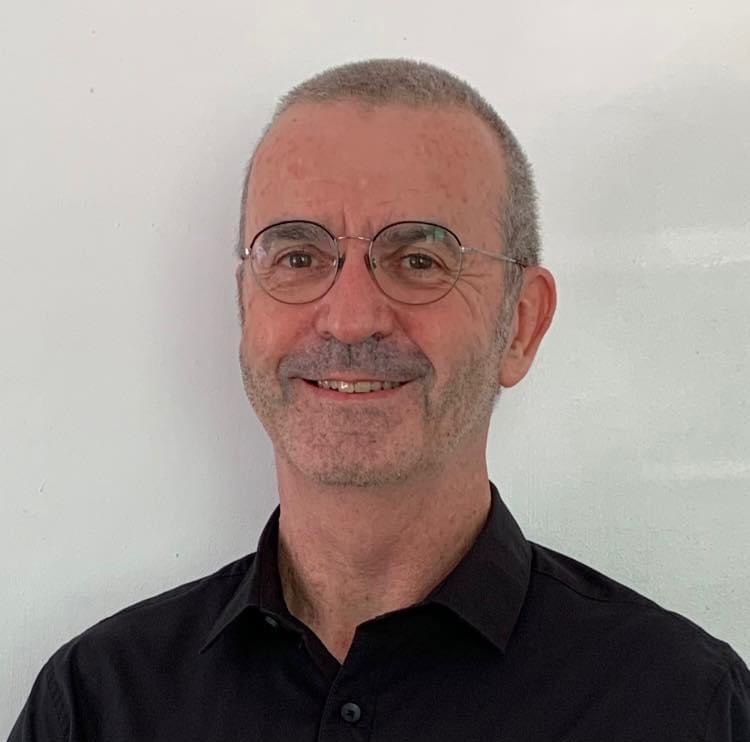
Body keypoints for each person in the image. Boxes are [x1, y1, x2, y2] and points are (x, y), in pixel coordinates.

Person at [9, 58, 749, 741]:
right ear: (245, 304)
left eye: (419, 259)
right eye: (298, 256)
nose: (350, 318)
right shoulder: (98, 702)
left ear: (521, 324)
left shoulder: (681, 707)